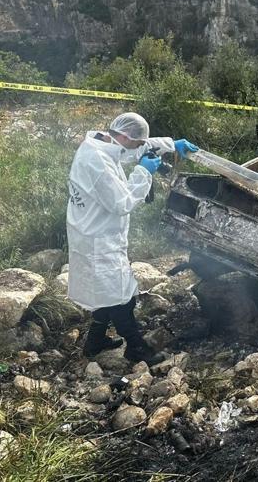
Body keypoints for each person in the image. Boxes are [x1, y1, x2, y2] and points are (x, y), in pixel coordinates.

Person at [66, 112, 198, 363]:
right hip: (98, 238)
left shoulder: (103, 143)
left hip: (93, 231)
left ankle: (94, 343)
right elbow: (121, 202)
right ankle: (137, 348)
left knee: (103, 290)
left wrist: (171, 144)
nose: (138, 148)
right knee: (120, 296)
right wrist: (143, 174)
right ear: (125, 136)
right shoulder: (97, 161)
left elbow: (133, 149)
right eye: (137, 143)